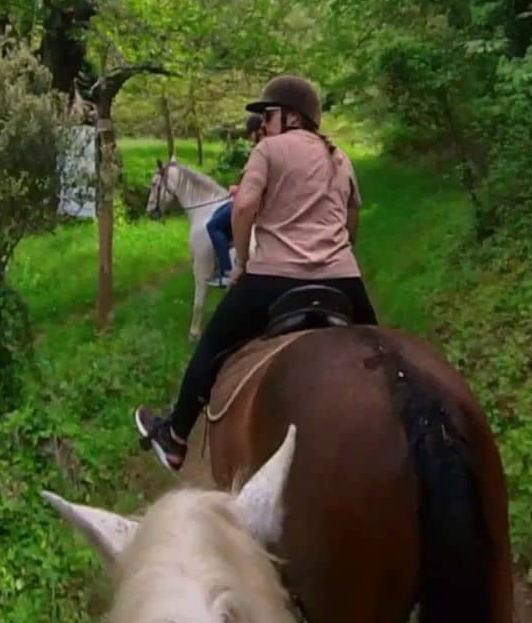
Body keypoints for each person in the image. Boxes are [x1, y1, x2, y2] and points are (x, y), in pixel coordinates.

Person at [135, 76, 376, 472]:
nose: (262, 124)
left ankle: (175, 436)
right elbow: (352, 215)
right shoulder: (340, 157)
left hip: (272, 279)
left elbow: (244, 208)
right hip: (342, 281)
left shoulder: (269, 150)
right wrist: (340, 252)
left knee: (211, 347)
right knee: (383, 359)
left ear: (293, 118)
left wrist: (243, 266)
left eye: (269, 114)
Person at [204, 112, 270, 287]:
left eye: (251, 133)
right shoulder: (265, 147)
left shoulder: (262, 149)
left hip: (248, 201)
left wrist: (238, 189)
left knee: (212, 226)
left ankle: (225, 271)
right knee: (218, 213)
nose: (250, 137)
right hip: (244, 196)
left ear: (258, 131)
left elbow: (257, 184)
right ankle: (223, 253)